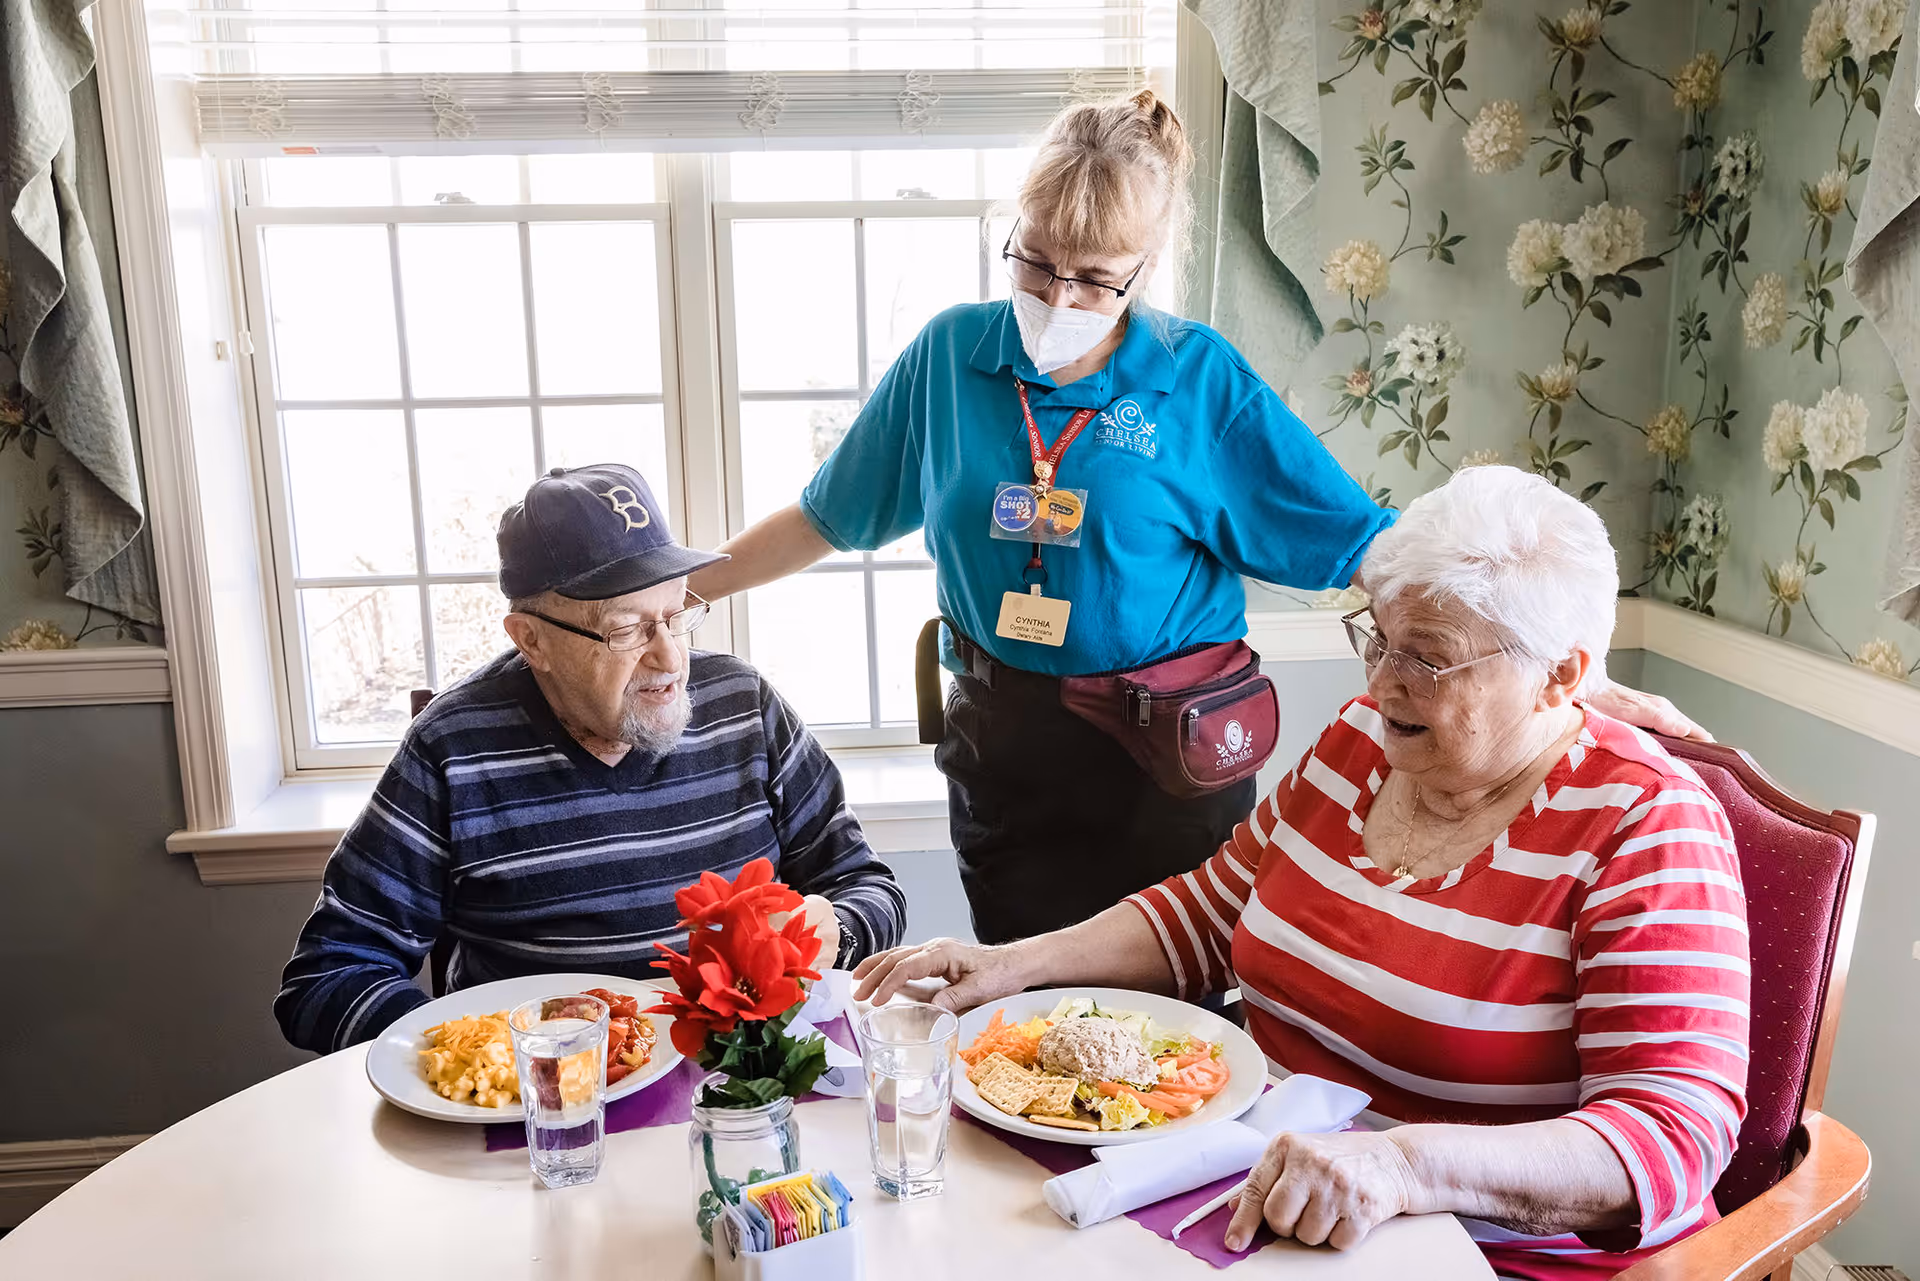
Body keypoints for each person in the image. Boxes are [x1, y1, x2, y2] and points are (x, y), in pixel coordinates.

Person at [689, 90, 1702, 946]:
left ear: (1146, 266)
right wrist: (677, 590)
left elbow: (1371, 548)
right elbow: (829, 515)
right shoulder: (950, 360)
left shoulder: (1197, 378)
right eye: (1036, 263)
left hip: (1163, 759)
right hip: (1004, 742)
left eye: (1095, 276)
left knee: (1179, 1012)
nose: (1059, 293)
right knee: (1019, 1011)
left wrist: (1567, 669)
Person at [853, 466, 1749, 1281]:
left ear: (1561, 677)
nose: (1384, 679)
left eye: (1426, 657)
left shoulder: (1647, 823)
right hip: (1261, 1195)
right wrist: (1015, 963)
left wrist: (1406, 1166)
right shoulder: (1368, 738)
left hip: (1484, 1255)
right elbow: (1211, 911)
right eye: (1379, 637)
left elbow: (1673, 1136)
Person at [275, 465, 906, 1054]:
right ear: (532, 640)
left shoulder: (745, 705)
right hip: (549, 1120)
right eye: (628, 629)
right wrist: (472, 1058)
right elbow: (328, 975)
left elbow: (870, 888)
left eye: (677, 614)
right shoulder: (454, 748)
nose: (670, 659)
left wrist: (840, 932)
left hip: (742, 1082)